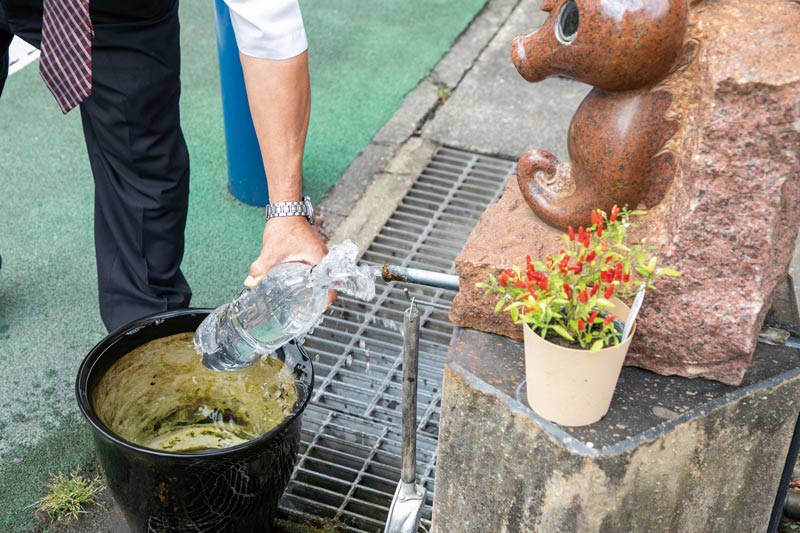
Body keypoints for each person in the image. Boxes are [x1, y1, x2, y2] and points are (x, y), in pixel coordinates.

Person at [0, 0, 326, 331]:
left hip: (113, 11)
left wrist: (287, 211)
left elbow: (268, 21)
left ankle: (143, 342)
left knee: (142, 175)